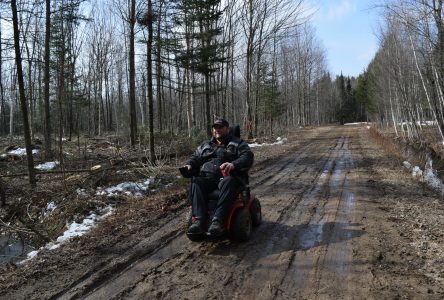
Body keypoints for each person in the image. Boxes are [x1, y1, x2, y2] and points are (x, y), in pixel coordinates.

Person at [183, 118, 254, 236]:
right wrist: (189, 165)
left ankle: (217, 220)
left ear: (227, 129)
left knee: (228, 181)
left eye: (221, 127)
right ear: (212, 130)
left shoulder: (237, 143)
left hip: (229, 179)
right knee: (196, 182)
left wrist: (233, 164)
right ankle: (199, 220)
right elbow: (194, 157)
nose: (217, 130)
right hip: (208, 179)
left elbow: (247, 156)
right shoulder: (205, 145)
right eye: (215, 127)